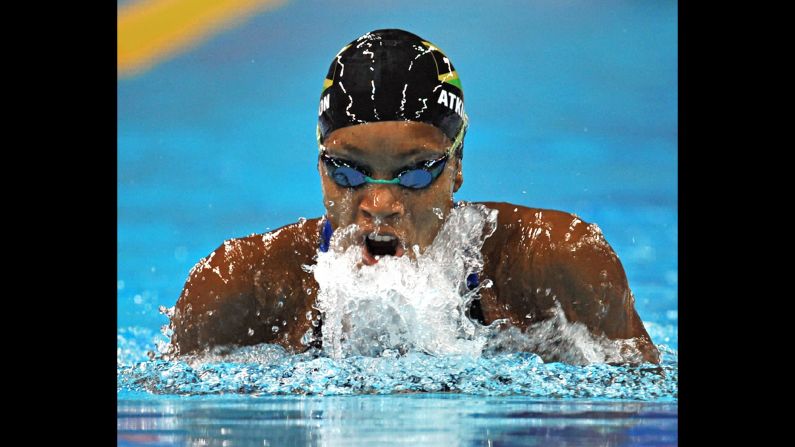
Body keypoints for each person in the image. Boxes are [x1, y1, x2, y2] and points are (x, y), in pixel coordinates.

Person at [169, 29, 660, 364]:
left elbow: (641, 412)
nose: (379, 204)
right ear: (320, 169)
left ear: (457, 165)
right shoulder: (240, 289)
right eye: (348, 172)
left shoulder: (553, 263)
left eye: (415, 175)